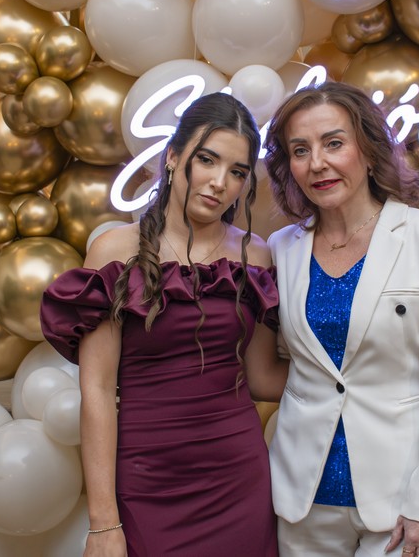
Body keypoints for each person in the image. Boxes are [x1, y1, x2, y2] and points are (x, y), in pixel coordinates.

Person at [41, 93, 289, 557]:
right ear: (173, 156)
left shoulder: (255, 256)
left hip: (238, 480)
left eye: (237, 172)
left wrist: (359, 372)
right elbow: (97, 389)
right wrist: (103, 522)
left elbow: (261, 378)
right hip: (145, 479)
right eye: (207, 160)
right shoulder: (115, 251)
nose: (219, 182)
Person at [263, 82, 419, 557]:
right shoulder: (280, 249)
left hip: (402, 500)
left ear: (369, 149)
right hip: (303, 496)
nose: (317, 163)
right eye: (300, 150)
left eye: (333, 143)